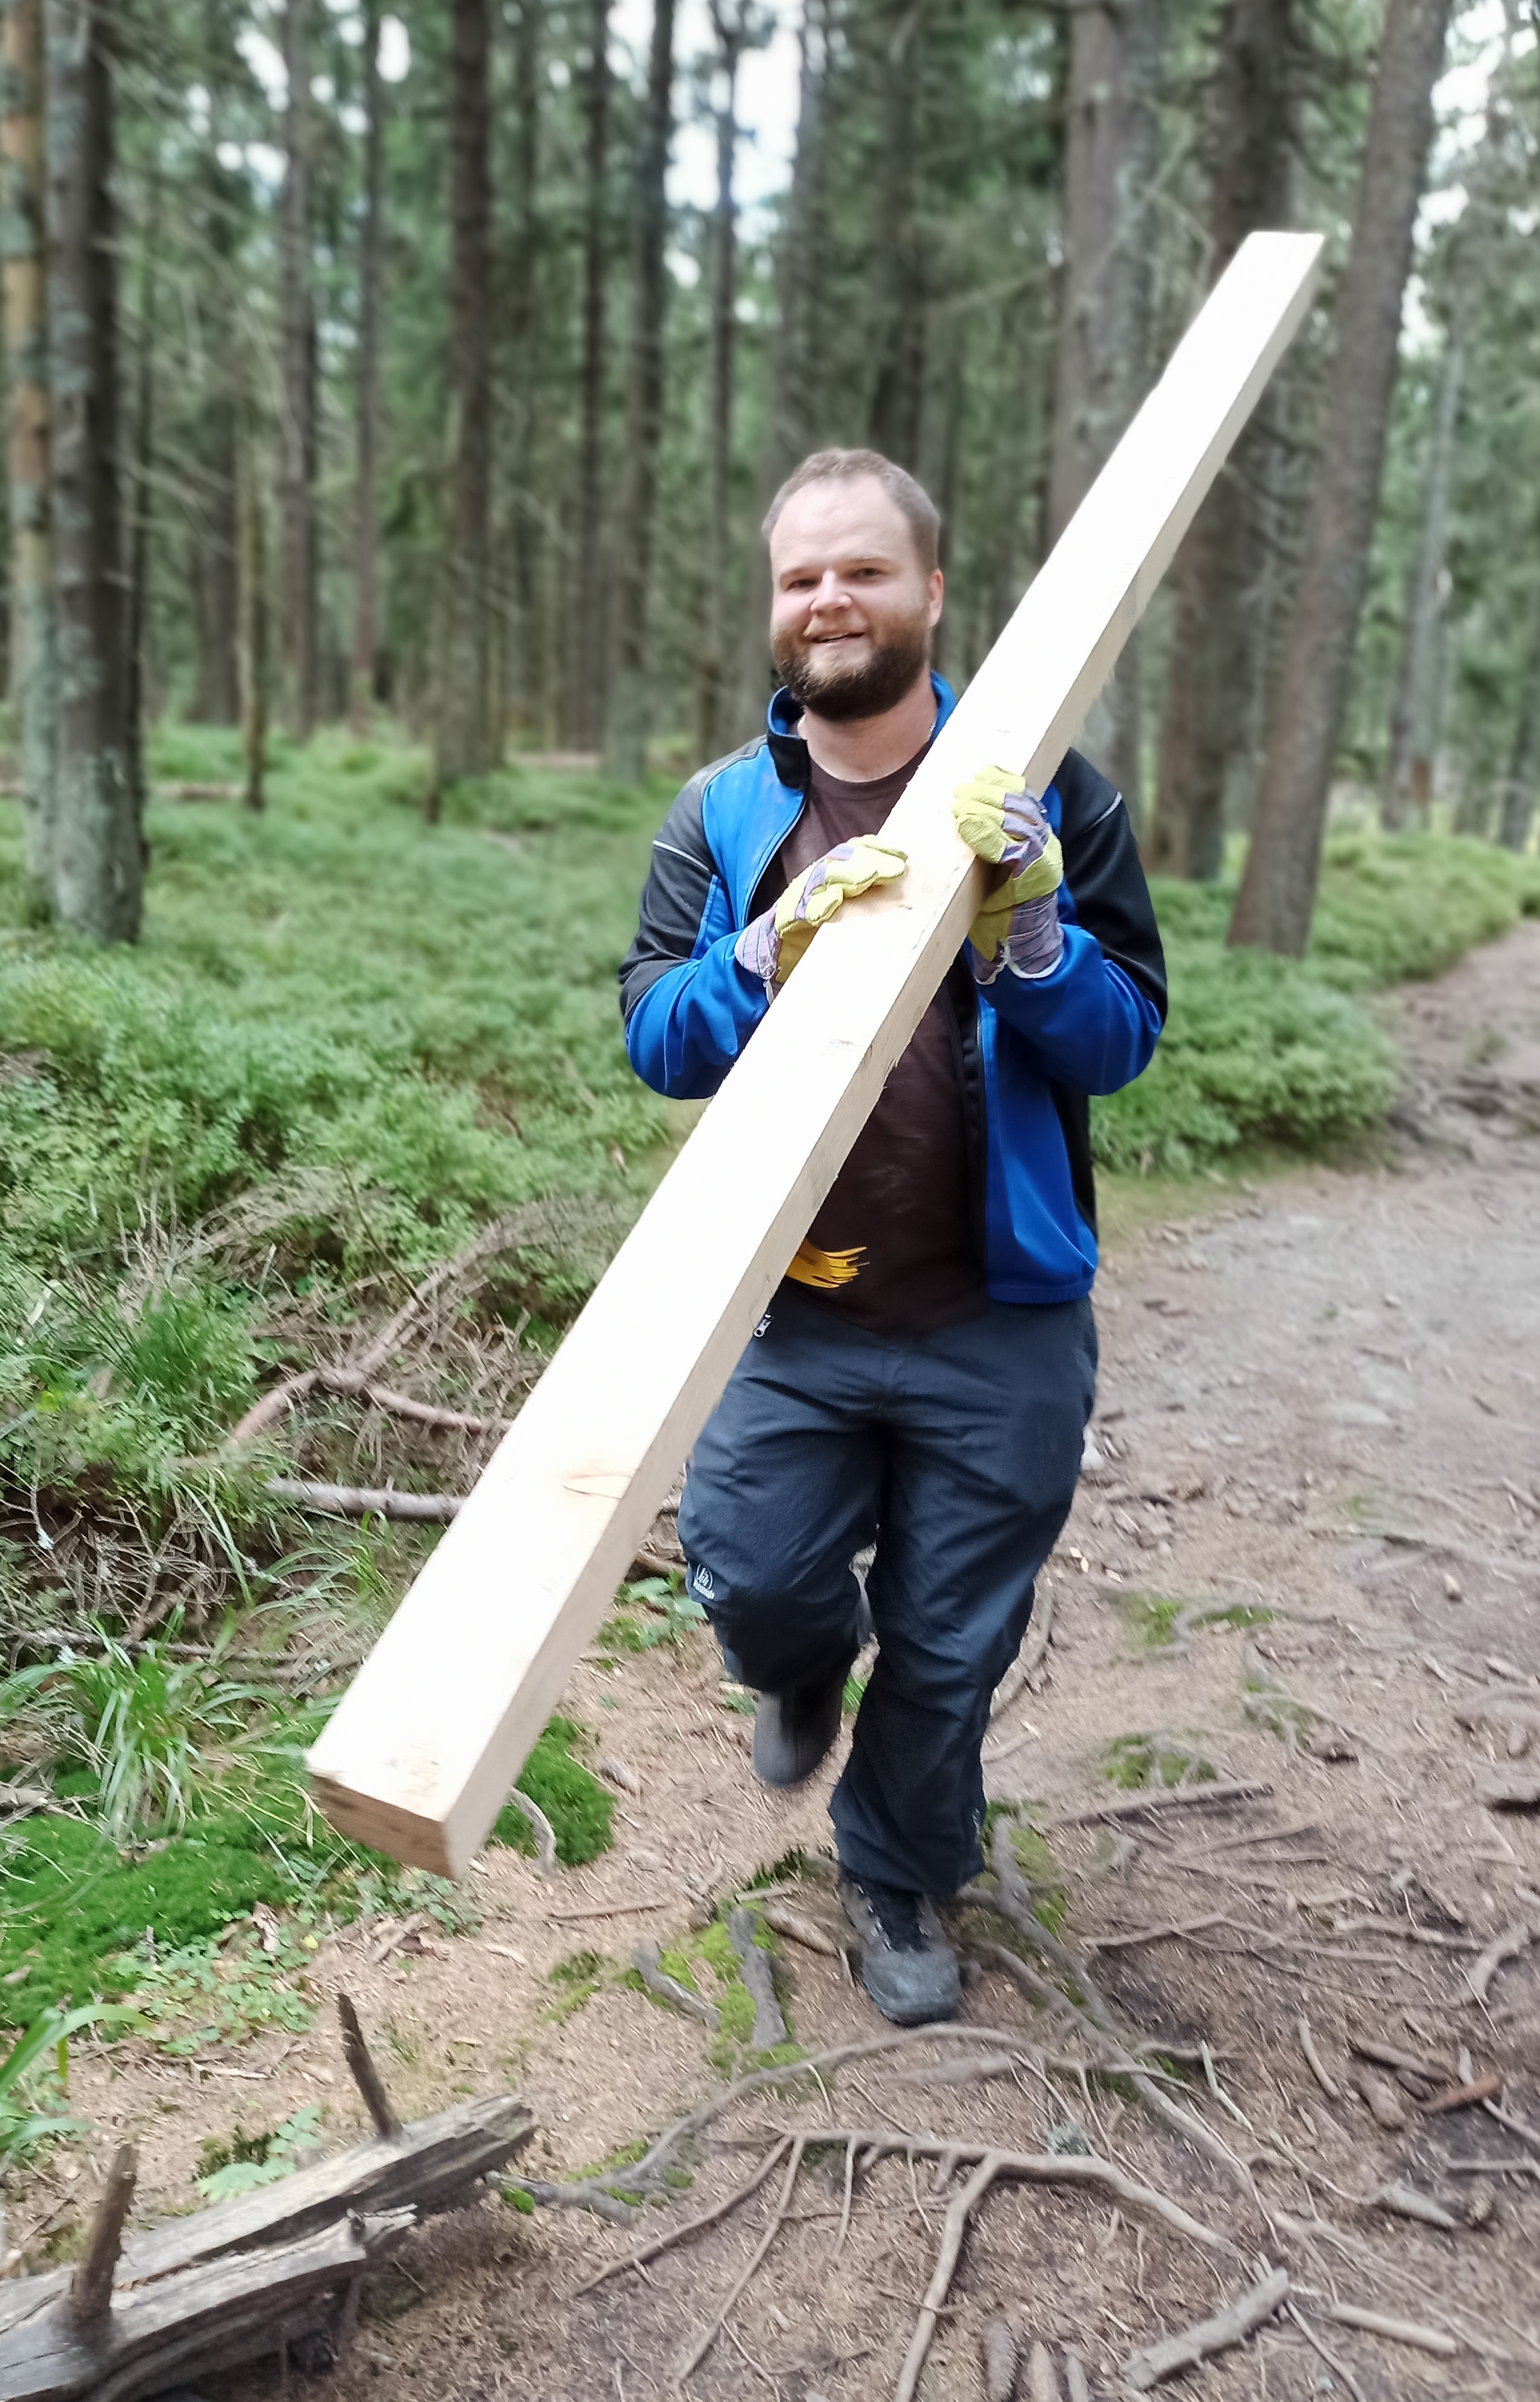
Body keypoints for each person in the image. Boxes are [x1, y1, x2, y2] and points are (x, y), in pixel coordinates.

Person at [617, 448, 1165, 2026]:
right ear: (775, 609)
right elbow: (658, 1034)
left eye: (863, 571)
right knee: (753, 1569)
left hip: (1000, 1321)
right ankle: (798, 1664)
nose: (830, 601)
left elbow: (1123, 1042)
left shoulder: (1052, 791)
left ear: (932, 591)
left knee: (948, 1644)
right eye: (802, 578)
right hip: (792, 1313)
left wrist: (1038, 940)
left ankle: (897, 1872)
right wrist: (759, 954)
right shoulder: (724, 810)